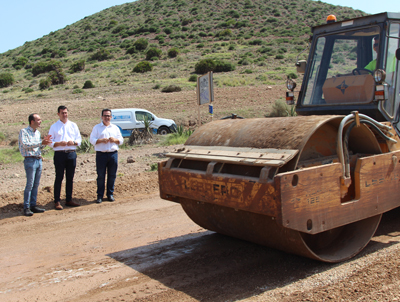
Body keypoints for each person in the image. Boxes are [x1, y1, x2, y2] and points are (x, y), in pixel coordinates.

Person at [48, 105, 82, 210]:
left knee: (70, 177)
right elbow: (49, 142)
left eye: (66, 112)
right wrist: (58, 143)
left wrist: (74, 142)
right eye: (62, 113)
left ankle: (68, 199)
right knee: (59, 177)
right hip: (59, 154)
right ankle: (57, 201)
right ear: (58, 114)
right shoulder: (54, 127)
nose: (64, 114)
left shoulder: (73, 125)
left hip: (71, 153)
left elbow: (79, 140)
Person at [18, 113, 52, 216]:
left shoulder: (37, 133)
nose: (40, 121)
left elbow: (38, 147)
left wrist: (45, 143)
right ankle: (26, 207)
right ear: (32, 121)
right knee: (30, 184)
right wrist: (41, 143)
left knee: (36, 184)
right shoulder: (23, 132)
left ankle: (33, 205)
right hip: (30, 160)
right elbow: (26, 145)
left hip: (38, 159)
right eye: (38, 119)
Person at [90, 109, 123, 203]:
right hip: (101, 154)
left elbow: (121, 140)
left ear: (111, 117)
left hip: (113, 154)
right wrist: (101, 140)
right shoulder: (96, 128)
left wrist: (115, 140)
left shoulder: (115, 128)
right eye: (105, 116)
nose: (107, 117)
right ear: (101, 117)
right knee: (100, 176)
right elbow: (92, 140)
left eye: (108, 116)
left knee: (112, 175)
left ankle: (110, 194)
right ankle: (99, 196)